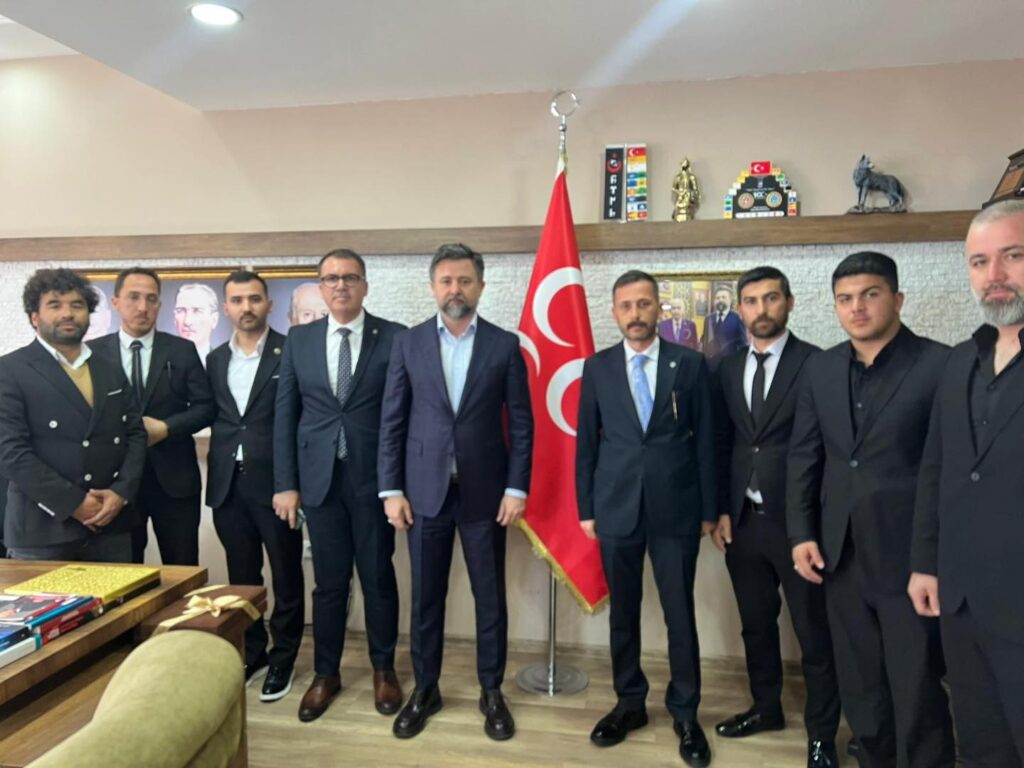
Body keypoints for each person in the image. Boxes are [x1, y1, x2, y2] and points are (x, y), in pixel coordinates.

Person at [787, 252, 954, 767]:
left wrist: (932, 558)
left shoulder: (941, 365)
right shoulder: (820, 368)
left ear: (897, 299)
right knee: (860, 683)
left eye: (870, 294)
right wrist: (801, 533)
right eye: (845, 298)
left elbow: (947, 470)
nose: (856, 307)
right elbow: (804, 455)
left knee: (916, 683)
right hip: (840, 556)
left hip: (909, 560)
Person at [378, 243, 532, 741]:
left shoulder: (504, 346)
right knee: (426, 598)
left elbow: (522, 425)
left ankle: (491, 690)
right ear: (433, 287)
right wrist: (391, 489)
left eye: (464, 281)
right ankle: (427, 689)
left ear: (480, 287)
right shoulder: (409, 344)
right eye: (446, 281)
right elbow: (392, 421)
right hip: (424, 494)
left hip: (486, 494)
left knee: (490, 598)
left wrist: (516, 487)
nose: (455, 290)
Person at [576, 269, 716, 767]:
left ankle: (685, 712)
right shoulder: (597, 367)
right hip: (616, 508)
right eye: (626, 306)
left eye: (643, 304)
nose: (635, 314)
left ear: (659, 308)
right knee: (623, 614)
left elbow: (707, 441)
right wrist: (586, 508)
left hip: (677, 509)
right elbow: (586, 444)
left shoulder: (690, 364)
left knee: (680, 615)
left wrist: (709, 509)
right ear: (615, 312)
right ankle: (629, 703)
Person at [909, 200, 1024, 767]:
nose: (994, 275)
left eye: (1013, 256)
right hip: (962, 603)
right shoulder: (959, 361)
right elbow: (937, 469)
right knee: (980, 747)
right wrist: (925, 564)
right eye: (980, 262)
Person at [710, 266, 839, 768]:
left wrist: (813, 523)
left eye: (770, 298)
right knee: (756, 625)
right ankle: (766, 708)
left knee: (814, 633)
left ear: (789, 302)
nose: (760, 309)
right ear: (740, 309)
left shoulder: (819, 363)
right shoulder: (726, 368)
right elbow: (724, 442)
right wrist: (721, 508)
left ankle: (822, 735)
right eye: (751, 301)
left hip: (801, 527)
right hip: (744, 522)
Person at [273, 249, 405, 723]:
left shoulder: (395, 337)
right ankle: (325, 674)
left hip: (374, 481)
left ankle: (384, 669)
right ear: (321, 287)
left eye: (350, 277)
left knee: (378, 578)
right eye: (331, 278)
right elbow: (286, 414)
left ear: (365, 285)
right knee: (328, 584)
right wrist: (286, 483)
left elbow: (404, 414)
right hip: (319, 482)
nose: (340, 285)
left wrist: (397, 484)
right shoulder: (299, 339)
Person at [0, 268, 146, 562]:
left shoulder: (109, 368)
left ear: (88, 314)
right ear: (34, 317)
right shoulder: (10, 370)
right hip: (42, 532)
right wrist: (74, 502)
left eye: (77, 305)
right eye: (54, 305)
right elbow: (10, 451)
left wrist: (121, 492)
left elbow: (135, 434)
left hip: (111, 525)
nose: (67, 313)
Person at [206, 271, 304, 704]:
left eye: (254, 299)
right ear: (226, 308)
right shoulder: (215, 359)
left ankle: (284, 656)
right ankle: (253, 651)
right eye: (237, 300)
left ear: (269, 304)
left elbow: (302, 419)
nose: (246, 307)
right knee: (242, 578)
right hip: (228, 485)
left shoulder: (291, 351)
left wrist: (292, 483)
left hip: (277, 486)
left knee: (286, 575)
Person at [91, 268, 215, 565]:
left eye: (151, 299)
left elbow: (206, 407)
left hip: (174, 480)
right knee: (124, 570)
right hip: (117, 481)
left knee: (182, 566)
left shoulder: (181, 350)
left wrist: (167, 427)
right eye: (133, 297)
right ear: (116, 302)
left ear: (159, 305)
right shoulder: (93, 354)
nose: (143, 307)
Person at [174, 282, 220, 363]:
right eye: (180, 311)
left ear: (214, 320)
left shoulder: (223, 365)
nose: (187, 321)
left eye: (197, 311)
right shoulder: (161, 363)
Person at [701, 285, 746, 363]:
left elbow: (743, 344)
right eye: (717, 298)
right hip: (710, 364)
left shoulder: (738, 318)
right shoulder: (708, 319)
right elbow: (705, 341)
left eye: (723, 297)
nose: (720, 300)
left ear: (730, 300)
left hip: (731, 363)